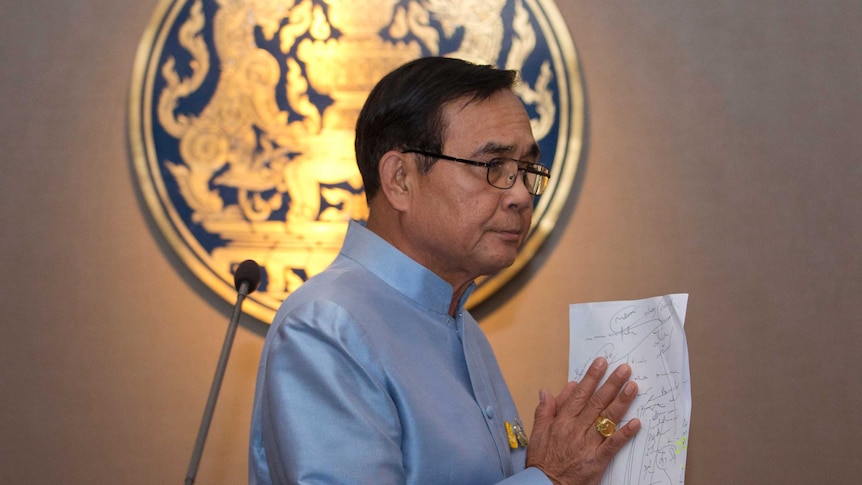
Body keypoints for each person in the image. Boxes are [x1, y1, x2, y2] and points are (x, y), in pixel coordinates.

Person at [249, 56, 641, 484]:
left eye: (526, 170)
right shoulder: (326, 327)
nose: (521, 198)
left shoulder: (462, 327)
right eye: (494, 167)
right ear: (400, 179)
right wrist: (550, 478)